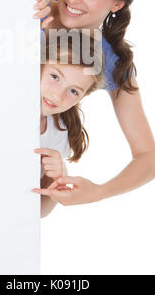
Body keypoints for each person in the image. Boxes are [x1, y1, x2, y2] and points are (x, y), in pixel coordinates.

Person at [32, 0, 155, 207]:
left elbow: (148, 159)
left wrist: (96, 192)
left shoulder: (110, 60)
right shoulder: (32, 10)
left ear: (117, 2)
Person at [36, 31, 104, 217]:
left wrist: (56, 177)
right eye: (55, 77)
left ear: (84, 96)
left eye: (73, 91)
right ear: (40, 64)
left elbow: (39, 211)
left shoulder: (59, 134)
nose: (57, 95)